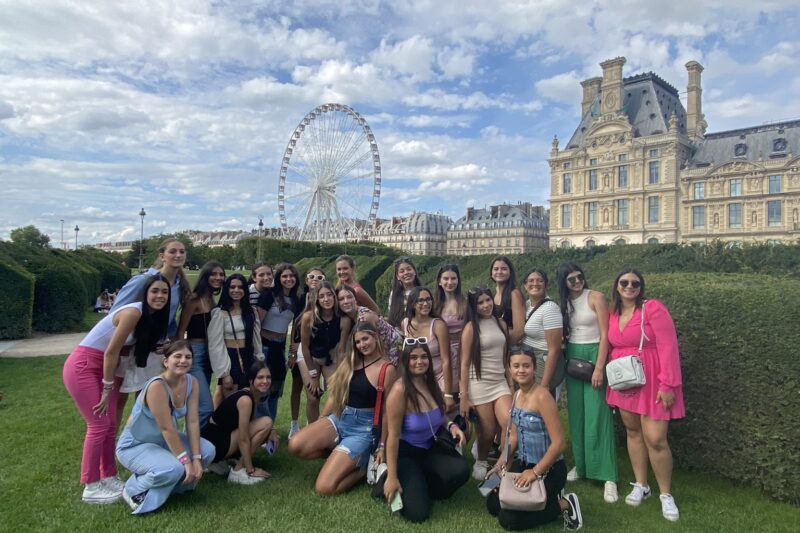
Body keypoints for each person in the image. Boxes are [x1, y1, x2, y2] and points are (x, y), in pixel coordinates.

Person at [62, 274, 170, 504]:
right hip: (85, 365)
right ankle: (90, 486)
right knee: (99, 424)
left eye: (164, 292)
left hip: (105, 368)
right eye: (155, 291)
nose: (160, 296)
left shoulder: (151, 317)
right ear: (145, 293)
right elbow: (111, 351)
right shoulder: (133, 312)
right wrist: (107, 388)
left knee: (110, 424)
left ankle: (108, 475)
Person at [606, 268, 685, 522]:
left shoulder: (652, 308)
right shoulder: (613, 311)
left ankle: (665, 493)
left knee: (656, 438)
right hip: (625, 378)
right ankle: (641, 484)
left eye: (635, 283)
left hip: (651, 378)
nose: (630, 287)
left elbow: (668, 345)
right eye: (624, 282)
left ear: (641, 286)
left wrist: (668, 384)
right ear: (617, 286)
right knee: (633, 432)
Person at [288, 321, 398, 495]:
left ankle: (362, 470)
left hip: (363, 429)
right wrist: (321, 420)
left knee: (324, 488)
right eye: (358, 342)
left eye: (365, 339)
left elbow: (386, 411)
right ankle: (340, 456)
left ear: (376, 337)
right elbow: (336, 395)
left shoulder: (387, 369)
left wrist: (382, 445)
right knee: (296, 444)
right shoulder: (352, 361)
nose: (362, 345)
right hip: (341, 418)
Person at [486, 344, 583, 531]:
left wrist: (535, 472)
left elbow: (559, 443)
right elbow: (513, 438)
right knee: (492, 503)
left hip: (548, 468)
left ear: (534, 368)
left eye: (526, 366)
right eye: (516, 366)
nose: (521, 370)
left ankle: (564, 503)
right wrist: (499, 465)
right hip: (523, 463)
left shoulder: (543, 397)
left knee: (509, 520)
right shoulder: (515, 396)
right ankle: (545, 498)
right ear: (509, 368)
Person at [115, 341, 216, 513]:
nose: (183, 361)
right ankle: (132, 489)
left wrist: (197, 458)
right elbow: (167, 428)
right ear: (166, 361)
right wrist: (186, 461)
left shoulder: (192, 382)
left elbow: (192, 422)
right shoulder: (157, 386)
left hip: (163, 442)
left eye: (188, 357)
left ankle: (174, 489)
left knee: (207, 451)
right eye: (177, 356)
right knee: (174, 467)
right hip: (135, 445)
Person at [377, 337, 470, 522]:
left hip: (430, 448)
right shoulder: (399, 391)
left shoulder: (429, 382)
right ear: (405, 360)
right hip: (406, 453)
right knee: (417, 514)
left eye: (423, 357)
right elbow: (393, 437)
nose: (419, 362)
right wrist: (393, 477)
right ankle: (386, 480)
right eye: (413, 357)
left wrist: (451, 425)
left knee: (461, 471)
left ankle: (419, 483)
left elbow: (438, 414)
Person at [556, 262, 618, 503]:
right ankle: (582, 466)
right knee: (577, 415)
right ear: (563, 282)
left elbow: (606, 335)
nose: (577, 282)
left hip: (593, 354)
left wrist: (600, 367)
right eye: (571, 279)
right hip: (573, 355)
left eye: (579, 277)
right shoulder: (564, 303)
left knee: (598, 415)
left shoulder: (596, 297)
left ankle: (608, 475)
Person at [112, 238, 190, 402]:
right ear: (162, 256)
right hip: (132, 344)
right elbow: (116, 313)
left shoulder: (179, 285)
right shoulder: (144, 280)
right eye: (173, 251)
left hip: (155, 347)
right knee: (119, 398)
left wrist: (171, 341)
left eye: (182, 252)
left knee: (147, 396)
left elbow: (169, 317)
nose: (178, 255)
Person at [460, 285, 512, 480]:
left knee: (509, 423)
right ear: (474, 306)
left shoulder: (501, 324)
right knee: (488, 431)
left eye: (488, 300)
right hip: (478, 383)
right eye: (480, 302)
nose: (485, 305)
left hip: (500, 382)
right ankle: (481, 459)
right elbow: (464, 364)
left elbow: (506, 359)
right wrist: (464, 396)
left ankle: (504, 464)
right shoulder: (470, 328)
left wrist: (512, 386)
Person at [201, 361, 277, 484]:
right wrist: (250, 469)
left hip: (215, 441)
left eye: (268, 377)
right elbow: (243, 438)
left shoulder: (252, 395)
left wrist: (272, 431)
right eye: (260, 377)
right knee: (266, 422)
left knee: (267, 427)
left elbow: (251, 423)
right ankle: (238, 471)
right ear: (251, 380)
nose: (265, 381)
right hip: (215, 443)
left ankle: (218, 462)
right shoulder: (245, 400)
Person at [176, 261, 226, 427]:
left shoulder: (212, 299)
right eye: (214, 274)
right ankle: (195, 442)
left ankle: (192, 441)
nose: (218, 278)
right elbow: (181, 330)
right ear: (205, 276)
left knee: (195, 403)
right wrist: (182, 356)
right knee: (205, 407)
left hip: (210, 352)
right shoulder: (194, 299)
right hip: (195, 353)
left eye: (221, 274)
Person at [299, 280, 351, 424]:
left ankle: (330, 426)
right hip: (310, 356)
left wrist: (341, 373)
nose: (326, 299)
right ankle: (312, 426)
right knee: (313, 396)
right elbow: (305, 347)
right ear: (316, 299)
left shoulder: (343, 320)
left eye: (329, 295)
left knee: (338, 391)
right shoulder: (308, 317)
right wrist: (313, 375)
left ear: (334, 297)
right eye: (322, 296)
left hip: (331, 355)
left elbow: (341, 349)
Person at [256, 262, 302, 421]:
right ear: (278, 278)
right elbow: (257, 323)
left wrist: (292, 354)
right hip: (264, 346)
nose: (288, 279)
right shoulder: (269, 295)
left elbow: (296, 327)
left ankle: (269, 427)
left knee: (276, 390)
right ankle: (260, 425)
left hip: (280, 347)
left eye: (291, 276)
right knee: (262, 389)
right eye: (284, 276)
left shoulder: (295, 299)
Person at [208, 274, 263, 404]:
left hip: (249, 357)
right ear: (227, 289)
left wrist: (259, 360)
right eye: (232, 287)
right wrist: (224, 373)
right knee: (233, 402)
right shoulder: (220, 313)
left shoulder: (251, 312)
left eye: (240, 287)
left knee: (251, 399)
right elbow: (215, 345)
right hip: (230, 358)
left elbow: (256, 339)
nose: (236, 290)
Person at [288, 267, 328, 438]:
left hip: (318, 352)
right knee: (297, 387)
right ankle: (294, 423)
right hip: (301, 349)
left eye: (319, 277)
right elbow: (295, 324)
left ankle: (312, 426)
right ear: (306, 280)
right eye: (311, 276)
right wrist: (292, 351)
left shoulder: (326, 299)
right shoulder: (300, 299)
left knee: (314, 393)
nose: (315, 279)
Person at [400, 287, 454, 412]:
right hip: (415, 378)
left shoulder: (438, 325)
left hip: (438, 378)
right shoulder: (405, 324)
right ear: (412, 304)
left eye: (428, 299)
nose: (426, 303)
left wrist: (448, 394)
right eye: (421, 300)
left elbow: (446, 360)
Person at [521, 269, 566, 396]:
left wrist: (545, 383)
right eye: (531, 281)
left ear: (546, 284)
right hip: (530, 359)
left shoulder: (550, 308)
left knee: (540, 402)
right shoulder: (527, 305)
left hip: (543, 361)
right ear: (525, 285)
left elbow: (554, 349)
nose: (535, 284)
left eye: (540, 281)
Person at [336, 284, 402, 363]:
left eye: (349, 297)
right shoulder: (347, 319)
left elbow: (377, 341)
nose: (346, 301)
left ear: (355, 299)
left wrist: (384, 363)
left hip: (393, 349)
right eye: (341, 299)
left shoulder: (365, 316)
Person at [433, 264, 466, 408]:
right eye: (446, 279)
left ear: (458, 281)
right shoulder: (434, 304)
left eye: (453, 278)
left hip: (463, 349)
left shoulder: (465, 302)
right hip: (443, 351)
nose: (450, 282)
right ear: (439, 281)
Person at [490, 256, 526, 345]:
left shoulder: (514, 293)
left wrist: (505, 349)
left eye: (504, 269)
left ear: (510, 272)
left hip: (509, 347)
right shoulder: (495, 293)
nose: (499, 272)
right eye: (496, 269)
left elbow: (519, 331)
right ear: (491, 273)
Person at [387, 256, 421, 327]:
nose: (406, 273)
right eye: (402, 271)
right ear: (398, 276)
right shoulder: (394, 294)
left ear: (414, 272)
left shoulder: (422, 292)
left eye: (409, 269)